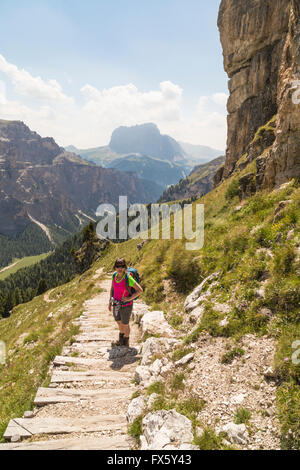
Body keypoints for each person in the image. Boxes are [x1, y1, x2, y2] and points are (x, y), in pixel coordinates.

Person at [108, 258, 143, 347]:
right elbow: (112, 289)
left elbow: (140, 290)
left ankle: (125, 341)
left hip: (126, 305)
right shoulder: (114, 275)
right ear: (115, 267)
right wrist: (110, 301)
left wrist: (129, 298)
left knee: (125, 323)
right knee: (119, 322)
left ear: (125, 267)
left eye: (122, 266)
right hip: (116, 304)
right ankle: (121, 339)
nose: (120, 268)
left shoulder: (128, 278)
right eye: (118, 266)